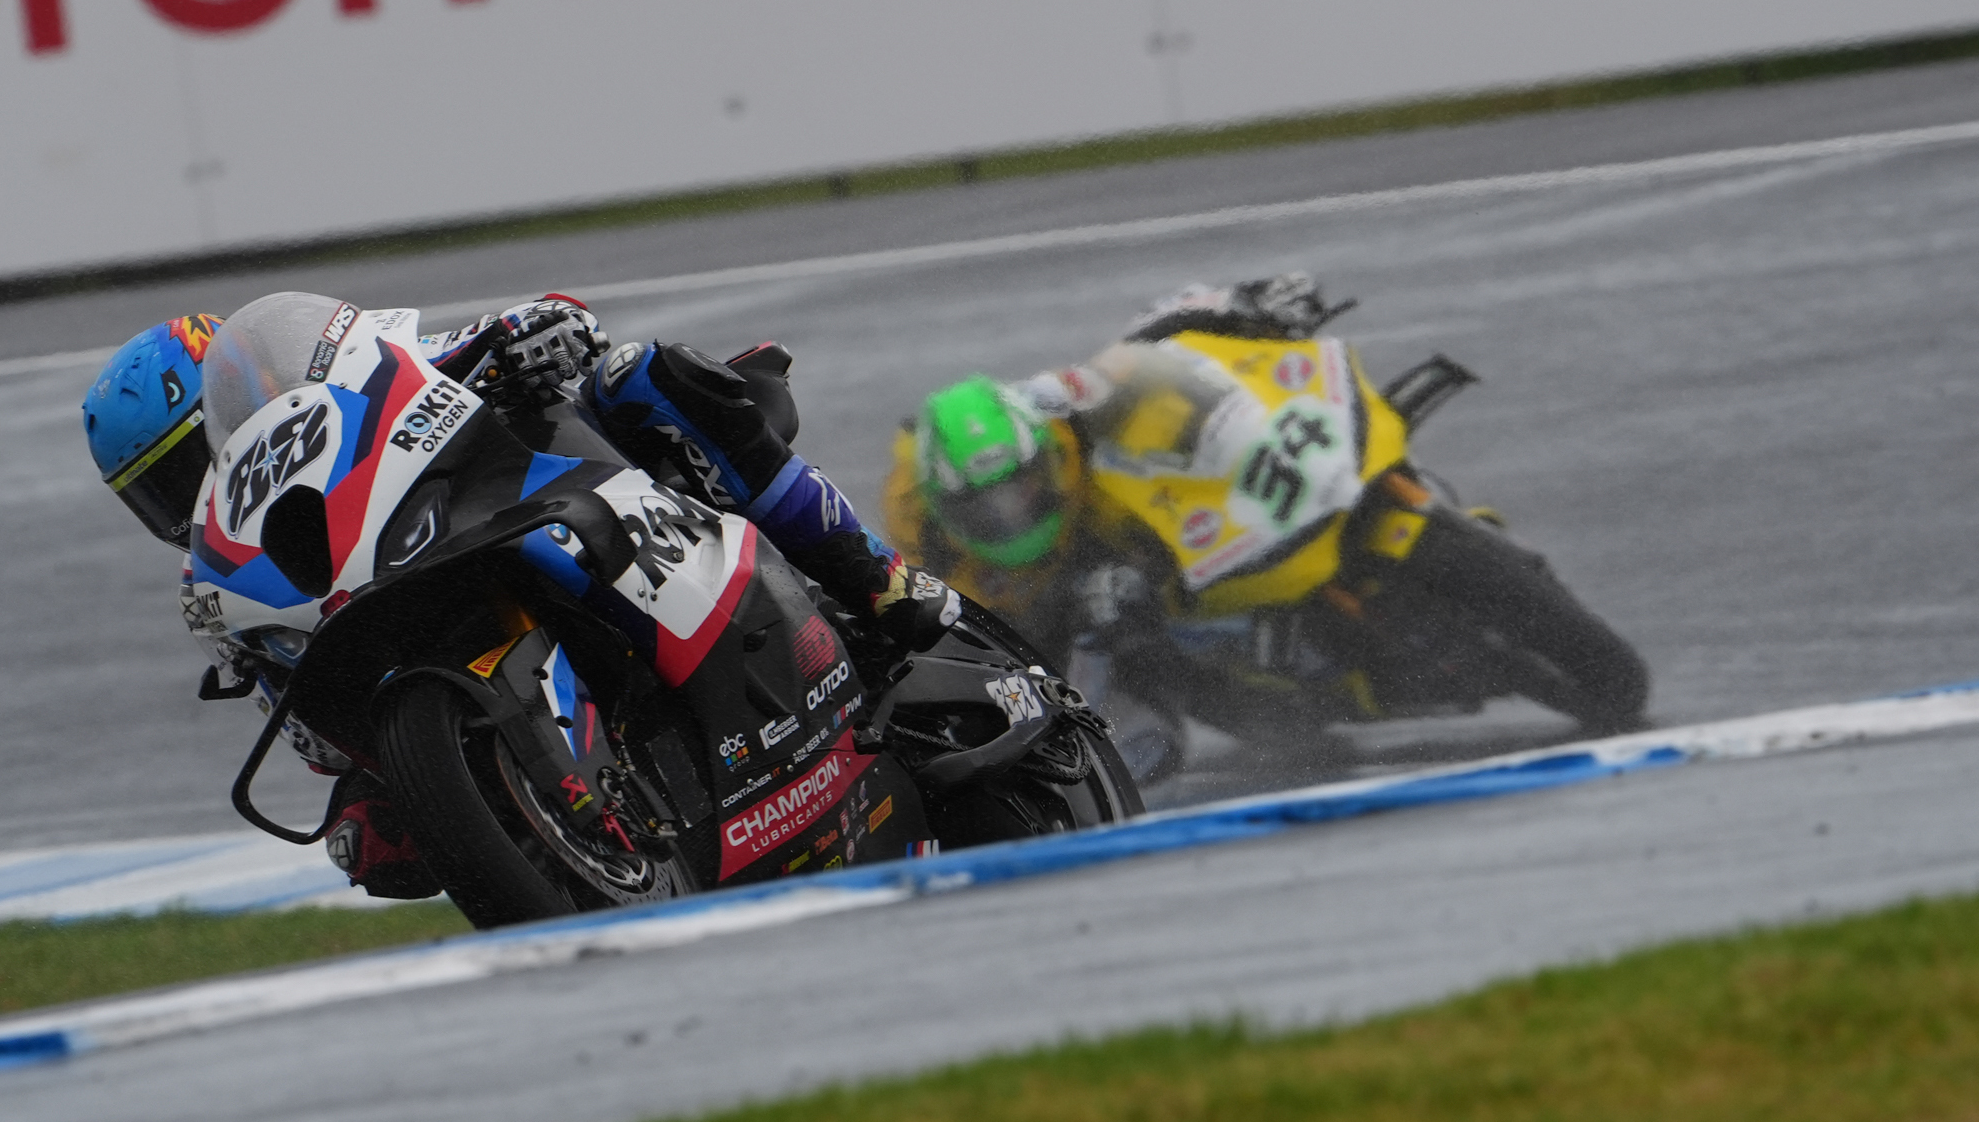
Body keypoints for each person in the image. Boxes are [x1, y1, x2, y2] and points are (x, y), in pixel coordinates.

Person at [82, 293, 962, 896]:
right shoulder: (222, 587)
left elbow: (495, 333)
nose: (200, 494)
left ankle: (874, 577)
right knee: (374, 842)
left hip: (532, 491)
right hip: (419, 651)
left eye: (192, 461)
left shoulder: (354, 379)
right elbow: (320, 741)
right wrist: (381, 792)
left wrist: (528, 331)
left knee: (644, 375)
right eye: (161, 494)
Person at [882, 272, 1345, 764]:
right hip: (1053, 627)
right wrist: (1075, 630)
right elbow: (951, 659)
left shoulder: (1052, 407)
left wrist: (1244, 303)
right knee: (1147, 751)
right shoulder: (920, 539)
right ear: (943, 508)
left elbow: (1141, 345)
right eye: (985, 511)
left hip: (1105, 533)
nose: (1012, 517)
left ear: (1046, 458)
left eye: (1022, 490)